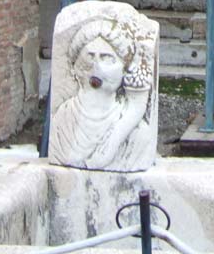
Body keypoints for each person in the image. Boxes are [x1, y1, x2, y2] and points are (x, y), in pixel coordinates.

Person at [50, 17, 153, 170]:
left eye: (107, 58)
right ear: (74, 67)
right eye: (89, 57)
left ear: (124, 70)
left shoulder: (137, 133)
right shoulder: (62, 121)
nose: (96, 66)